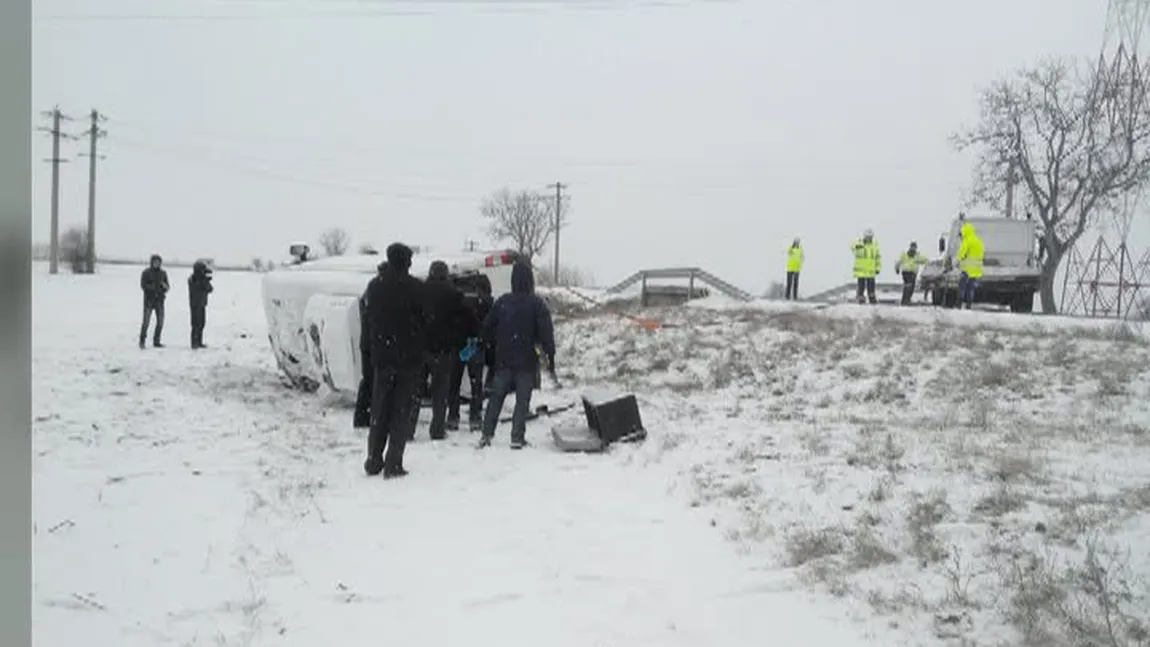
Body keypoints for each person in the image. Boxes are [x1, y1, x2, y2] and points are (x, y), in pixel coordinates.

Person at [363, 243, 426, 478]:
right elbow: (424, 321)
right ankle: (394, 462)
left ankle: (373, 459)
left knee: (379, 409)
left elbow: (368, 318)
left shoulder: (375, 287)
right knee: (400, 412)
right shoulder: (415, 288)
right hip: (408, 360)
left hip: (382, 357)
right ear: (407, 262)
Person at [478, 261, 556, 450]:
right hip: (526, 361)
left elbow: (487, 327)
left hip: (503, 359)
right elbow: (546, 332)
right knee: (522, 401)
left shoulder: (502, 301)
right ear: (530, 280)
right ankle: (517, 437)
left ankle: (486, 434)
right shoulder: (537, 304)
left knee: (496, 398)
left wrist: (487, 346)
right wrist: (550, 356)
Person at [421, 260, 474, 440]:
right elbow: (468, 317)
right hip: (443, 349)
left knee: (414, 391)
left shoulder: (420, 291)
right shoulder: (453, 294)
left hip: (421, 349)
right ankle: (437, 429)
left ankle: (408, 428)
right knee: (440, 392)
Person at [448, 274, 494, 432]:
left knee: (454, 383)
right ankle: (475, 418)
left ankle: (453, 417)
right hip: (475, 345)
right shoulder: (487, 302)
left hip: (458, 346)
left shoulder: (456, 300)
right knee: (476, 385)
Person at [353, 261, 387, 429]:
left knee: (367, 379)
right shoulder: (380, 291)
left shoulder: (370, 291)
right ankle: (369, 414)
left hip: (366, 342)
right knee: (373, 381)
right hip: (375, 343)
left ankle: (362, 415)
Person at [139, 254, 170, 348]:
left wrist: (164, 287)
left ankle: (156, 341)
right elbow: (143, 285)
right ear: (151, 262)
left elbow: (167, 286)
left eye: (158, 262)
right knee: (146, 322)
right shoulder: (146, 272)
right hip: (149, 300)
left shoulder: (163, 273)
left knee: (160, 322)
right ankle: (142, 341)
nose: (156, 264)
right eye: (155, 262)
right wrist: (152, 287)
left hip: (160, 301)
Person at [955, 221, 984, 310]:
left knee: (962, 286)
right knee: (971, 288)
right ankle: (969, 304)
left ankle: (959, 303)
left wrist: (957, 261)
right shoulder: (978, 240)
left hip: (967, 268)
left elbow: (961, 253)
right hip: (976, 269)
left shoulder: (967, 240)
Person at [187, 260, 214, 348]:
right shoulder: (193, 279)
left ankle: (199, 341)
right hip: (195, 304)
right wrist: (205, 281)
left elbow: (210, 289)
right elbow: (202, 287)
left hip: (202, 303)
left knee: (201, 323)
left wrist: (206, 280)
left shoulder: (201, 279)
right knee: (195, 324)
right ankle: (194, 343)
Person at [851, 230, 882, 304]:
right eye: (867, 237)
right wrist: (858, 244)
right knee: (861, 286)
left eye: (870, 237)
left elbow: (877, 257)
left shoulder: (875, 246)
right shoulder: (859, 245)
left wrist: (878, 268)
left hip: (871, 271)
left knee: (871, 287)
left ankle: (872, 299)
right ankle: (860, 299)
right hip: (861, 271)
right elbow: (852, 247)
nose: (868, 238)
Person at [895, 242, 929, 306]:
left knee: (911, 287)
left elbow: (924, 260)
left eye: (914, 248)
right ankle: (905, 300)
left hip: (913, 273)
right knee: (908, 286)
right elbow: (898, 261)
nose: (913, 249)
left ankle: (906, 299)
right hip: (907, 272)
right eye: (912, 247)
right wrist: (897, 268)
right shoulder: (905, 254)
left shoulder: (917, 255)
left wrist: (929, 262)